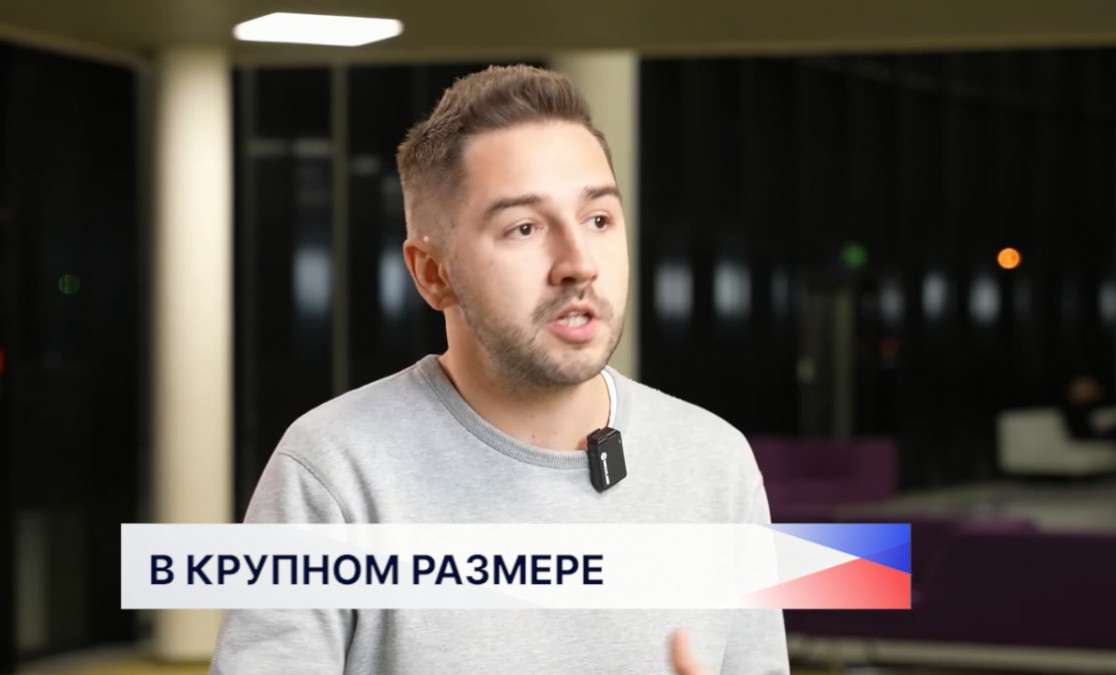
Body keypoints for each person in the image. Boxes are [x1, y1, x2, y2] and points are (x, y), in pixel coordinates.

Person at [211, 64, 788, 674]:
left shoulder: (715, 461)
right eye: (524, 228)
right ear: (432, 273)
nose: (579, 263)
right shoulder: (334, 470)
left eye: (598, 219)